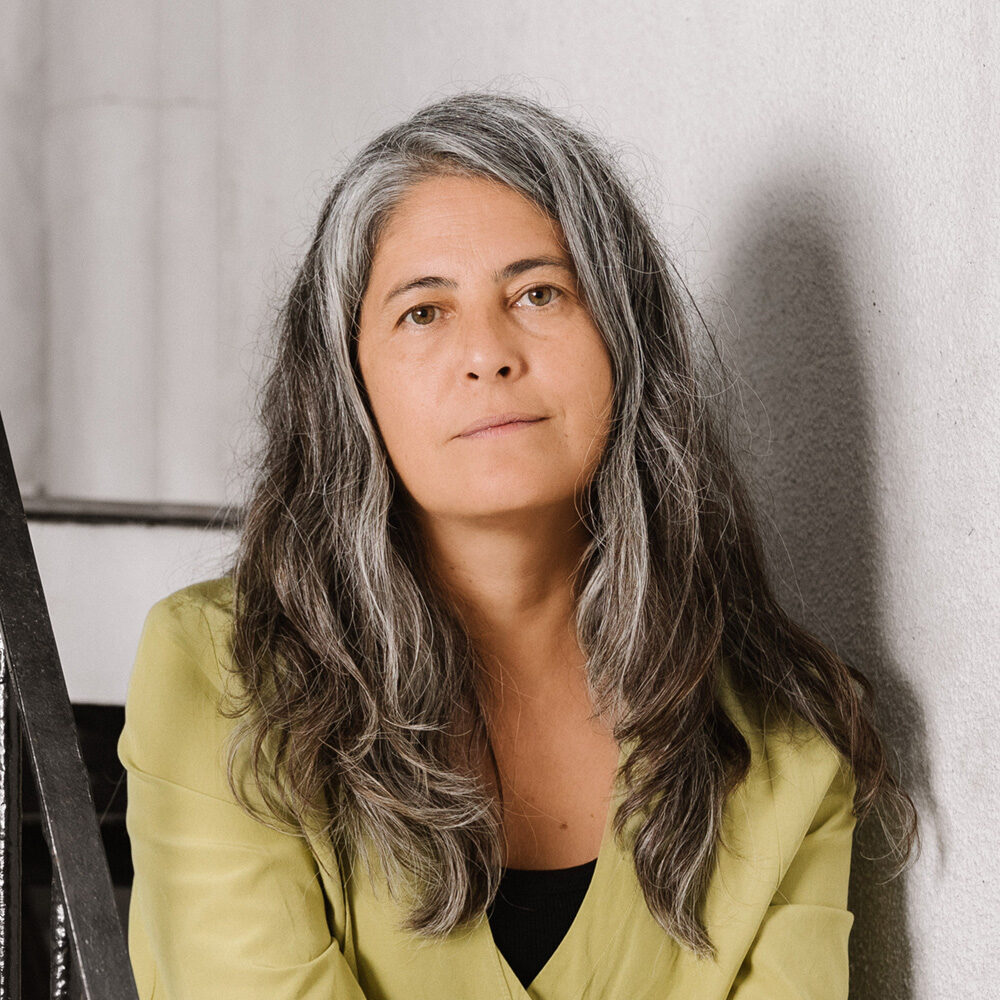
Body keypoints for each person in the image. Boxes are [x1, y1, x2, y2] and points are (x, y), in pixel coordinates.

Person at [117, 90, 918, 1000]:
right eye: (424, 312)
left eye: (539, 293)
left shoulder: (790, 738)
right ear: (348, 383)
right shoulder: (221, 672)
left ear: (625, 343)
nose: (488, 353)